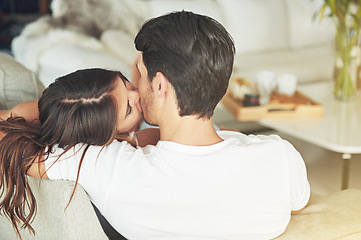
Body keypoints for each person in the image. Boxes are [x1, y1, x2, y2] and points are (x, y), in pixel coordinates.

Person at [2, 11, 310, 240]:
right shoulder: (280, 157)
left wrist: (50, 109)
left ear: (160, 85)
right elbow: (297, 203)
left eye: (138, 72)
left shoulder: (109, 168)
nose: (135, 85)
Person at [0, 68, 159, 239]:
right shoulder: (91, 158)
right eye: (128, 109)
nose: (137, 96)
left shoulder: (48, 116)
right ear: (102, 137)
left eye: (126, 83)